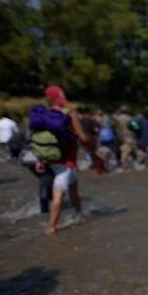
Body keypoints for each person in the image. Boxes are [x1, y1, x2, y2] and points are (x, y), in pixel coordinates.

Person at [35, 85, 90, 235]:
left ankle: (80, 214)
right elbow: (83, 137)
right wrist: (92, 147)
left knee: (73, 187)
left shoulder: (44, 115)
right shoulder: (70, 114)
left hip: (50, 158)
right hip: (66, 161)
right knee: (59, 194)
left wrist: (39, 160)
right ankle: (51, 228)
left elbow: (39, 139)